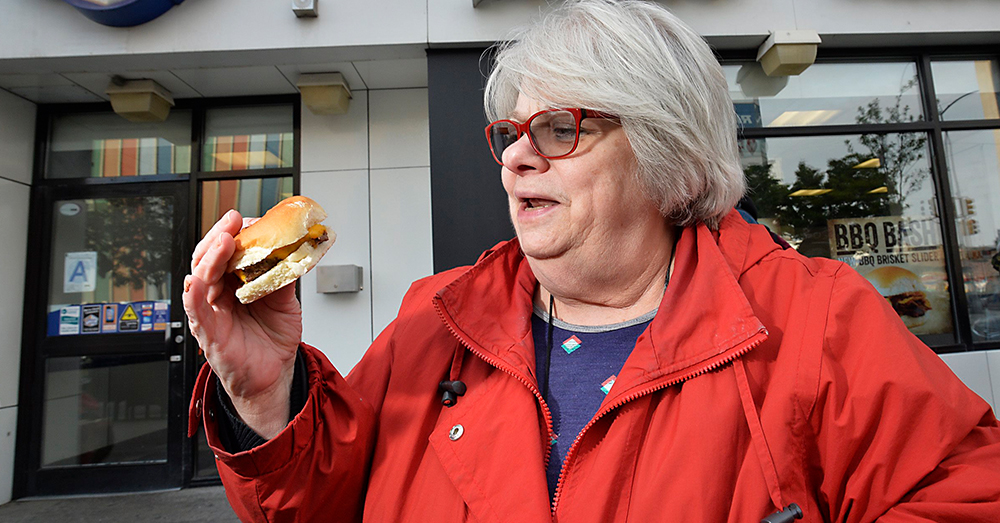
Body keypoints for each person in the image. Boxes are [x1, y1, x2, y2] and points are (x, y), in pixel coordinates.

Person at [183, 1, 1000, 521]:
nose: (516, 157)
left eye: (559, 128)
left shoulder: (812, 318)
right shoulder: (433, 319)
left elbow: (967, 492)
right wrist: (266, 398)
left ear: (667, 154)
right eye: (511, 132)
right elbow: (318, 504)